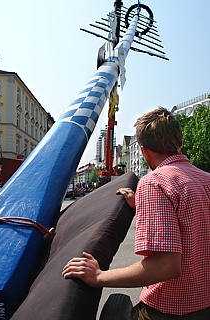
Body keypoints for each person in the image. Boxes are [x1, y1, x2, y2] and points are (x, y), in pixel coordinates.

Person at [62, 107, 210, 319]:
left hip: (171, 309)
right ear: (179, 142)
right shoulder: (205, 179)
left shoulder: (154, 183)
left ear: (144, 151)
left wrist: (99, 276)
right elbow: (191, 217)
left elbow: (166, 266)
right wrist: (142, 203)